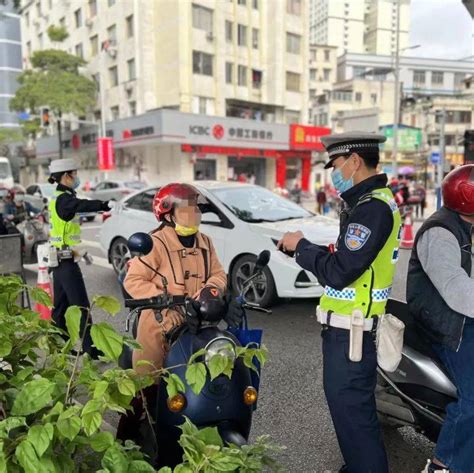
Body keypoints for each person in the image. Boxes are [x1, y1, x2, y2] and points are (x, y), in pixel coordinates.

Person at [277, 132, 402, 473]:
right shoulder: (368, 204)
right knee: (351, 415)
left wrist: (301, 247)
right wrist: (311, 250)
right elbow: (348, 261)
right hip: (350, 330)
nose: (332, 172)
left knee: (354, 417)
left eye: (335, 164)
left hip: (353, 334)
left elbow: (340, 271)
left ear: (355, 161)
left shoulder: (373, 208)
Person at [118, 183, 241, 439]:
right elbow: (133, 281)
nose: (194, 212)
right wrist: (165, 297)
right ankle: (126, 443)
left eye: (196, 207)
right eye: (187, 208)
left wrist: (211, 290)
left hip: (197, 324)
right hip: (160, 324)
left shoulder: (205, 241)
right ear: (168, 213)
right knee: (144, 389)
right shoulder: (156, 243)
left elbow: (218, 274)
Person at [407, 165, 474, 473]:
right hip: (445, 324)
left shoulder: (466, 224)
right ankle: (442, 464)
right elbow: (456, 289)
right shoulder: (440, 232)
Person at [48, 158, 111, 357]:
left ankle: (59, 345)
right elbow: (81, 204)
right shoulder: (64, 199)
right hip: (64, 261)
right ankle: (91, 350)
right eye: (74, 174)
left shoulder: (59, 196)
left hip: (59, 259)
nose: (76, 177)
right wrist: (105, 204)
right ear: (66, 176)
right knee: (81, 305)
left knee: (60, 307)